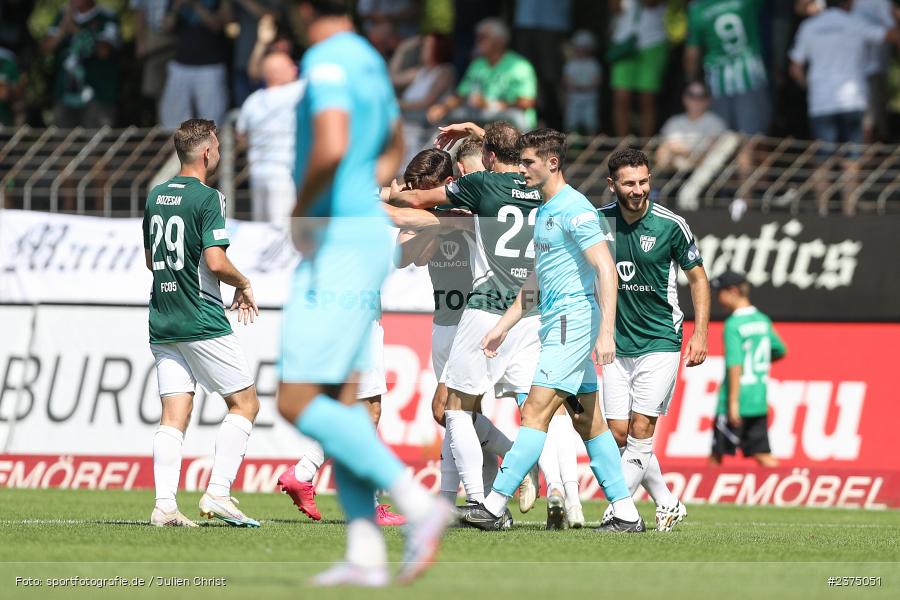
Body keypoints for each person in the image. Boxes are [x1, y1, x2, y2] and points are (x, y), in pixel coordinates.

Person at [275, 0, 450, 588]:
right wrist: (365, 188)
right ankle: (364, 553)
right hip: (362, 239)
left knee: (295, 400)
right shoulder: (372, 61)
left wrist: (306, 211)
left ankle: (419, 507)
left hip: (337, 242)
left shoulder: (325, 60)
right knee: (344, 401)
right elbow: (393, 141)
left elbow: (329, 143)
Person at [459, 129, 643, 532]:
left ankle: (492, 505)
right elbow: (535, 283)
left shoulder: (575, 210)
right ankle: (626, 513)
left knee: (535, 412)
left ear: (552, 163)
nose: (521, 170)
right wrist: (503, 328)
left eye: (528, 163)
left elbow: (606, 270)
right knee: (589, 422)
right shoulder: (544, 210)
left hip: (571, 323)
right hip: (556, 321)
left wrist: (606, 332)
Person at [389, 121, 544, 515]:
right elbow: (405, 256)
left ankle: (488, 487)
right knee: (459, 414)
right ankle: (485, 494)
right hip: (448, 318)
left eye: (425, 185)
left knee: (450, 410)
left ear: (452, 178)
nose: (419, 191)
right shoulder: (455, 208)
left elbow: (500, 160)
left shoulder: (472, 203)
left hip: (479, 316)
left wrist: (394, 202)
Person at [142, 118, 261, 528]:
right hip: (201, 316)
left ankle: (164, 506)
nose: (220, 153)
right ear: (208, 152)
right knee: (245, 404)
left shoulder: (156, 195)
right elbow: (214, 260)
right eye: (218, 147)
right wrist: (243, 282)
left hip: (163, 317)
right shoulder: (209, 197)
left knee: (174, 412)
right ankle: (219, 493)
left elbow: (148, 260)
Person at [598, 148, 710, 532]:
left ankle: (618, 513)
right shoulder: (597, 224)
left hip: (661, 342)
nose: (638, 189)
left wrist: (700, 333)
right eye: (629, 183)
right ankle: (667, 501)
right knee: (617, 435)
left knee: (641, 432)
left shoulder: (670, 225)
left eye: (644, 181)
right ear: (612, 185)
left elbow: (698, 278)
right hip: (615, 344)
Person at [709, 271, 786, 467]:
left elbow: (735, 365)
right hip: (758, 398)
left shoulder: (733, 324)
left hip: (736, 399)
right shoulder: (762, 320)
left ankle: (704, 494)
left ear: (732, 291)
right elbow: (780, 349)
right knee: (762, 453)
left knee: (717, 454)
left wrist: (733, 402)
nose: (718, 298)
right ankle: (789, 488)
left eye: (720, 292)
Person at [426, 19, 537, 130]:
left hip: (511, 125)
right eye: (477, 37)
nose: (477, 41)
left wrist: (491, 105)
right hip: (481, 120)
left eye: (483, 37)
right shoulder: (477, 64)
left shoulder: (520, 66)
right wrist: (443, 108)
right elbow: (460, 95)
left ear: (499, 40)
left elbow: (527, 102)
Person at [235, 51, 305, 225]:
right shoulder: (295, 91)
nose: (295, 69)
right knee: (283, 230)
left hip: (258, 172)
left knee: (262, 229)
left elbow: (241, 135)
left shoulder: (252, 100)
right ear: (275, 73)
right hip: (283, 174)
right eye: (290, 66)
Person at [685, 0, 770, 135]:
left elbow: (692, 53)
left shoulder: (697, 9)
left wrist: (690, 80)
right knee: (753, 139)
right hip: (749, 76)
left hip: (718, 80)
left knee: (721, 140)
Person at [43, 0, 119, 128]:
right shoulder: (63, 16)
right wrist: (62, 29)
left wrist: (77, 31)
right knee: (62, 146)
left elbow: (103, 52)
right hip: (64, 96)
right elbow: (45, 49)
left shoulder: (107, 17)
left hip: (98, 96)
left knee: (95, 146)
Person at [159, 0, 232, 130]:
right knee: (172, 122)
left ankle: (211, 150)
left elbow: (219, 25)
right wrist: (177, 7)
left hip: (211, 66)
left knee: (212, 123)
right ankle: (177, 150)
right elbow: (166, 27)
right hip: (180, 64)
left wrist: (195, 4)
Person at [608, 0, 668, 137]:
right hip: (624, 45)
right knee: (621, 97)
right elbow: (615, 8)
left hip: (652, 44)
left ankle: (645, 144)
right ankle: (622, 147)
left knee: (647, 98)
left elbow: (650, 3)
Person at [656, 82, 727, 171]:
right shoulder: (673, 122)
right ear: (684, 98)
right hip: (672, 172)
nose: (696, 100)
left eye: (701, 97)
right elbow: (662, 154)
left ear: (708, 100)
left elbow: (712, 155)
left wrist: (685, 153)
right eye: (691, 96)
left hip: (703, 174)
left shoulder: (716, 123)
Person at [133, 0, 175, 123]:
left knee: (176, 91)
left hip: (181, 36)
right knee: (156, 92)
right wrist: (140, 42)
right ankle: (162, 130)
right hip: (154, 36)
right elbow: (139, 12)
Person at [563, 29, 601, 136]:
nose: (582, 50)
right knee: (571, 124)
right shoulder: (571, 63)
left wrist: (583, 87)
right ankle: (570, 149)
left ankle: (591, 148)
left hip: (590, 97)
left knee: (591, 124)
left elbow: (597, 80)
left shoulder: (594, 64)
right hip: (573, 97)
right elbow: (566, 79)